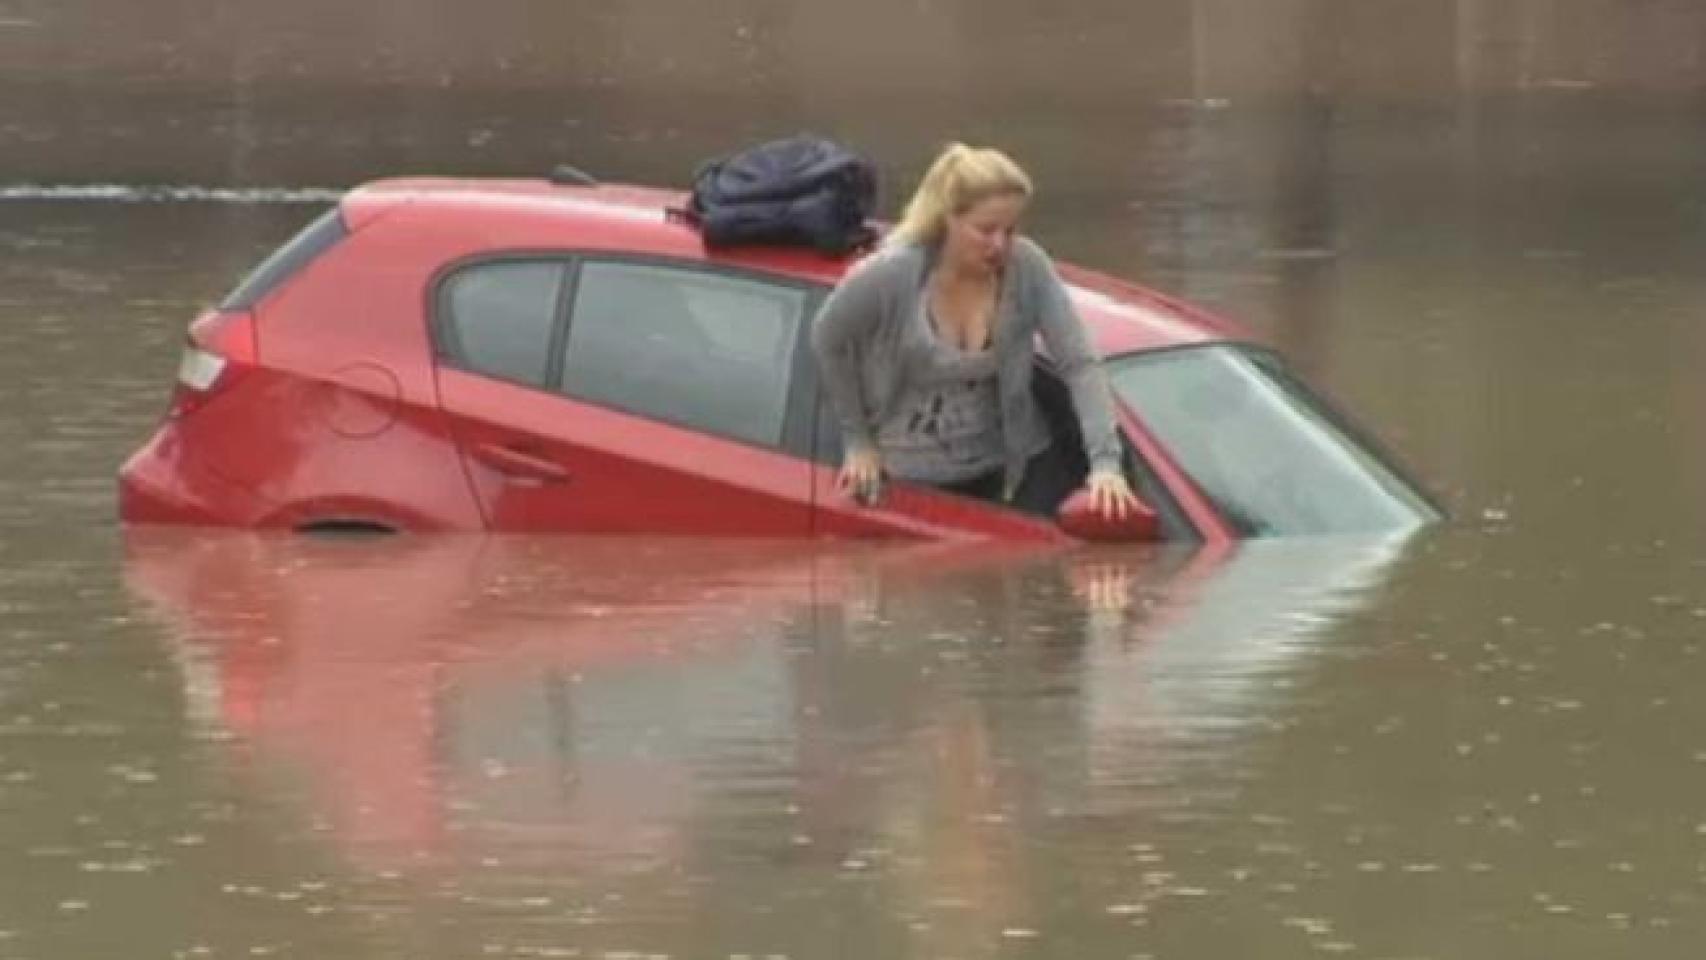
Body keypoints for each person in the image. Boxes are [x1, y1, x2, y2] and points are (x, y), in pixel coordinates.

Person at [810, 143, 1139, 518]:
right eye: (985, 230)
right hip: (910, 479)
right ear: (948, 217)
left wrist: (1106, 465)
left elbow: (1080, 363)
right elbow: (828, 340)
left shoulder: (1027, 266)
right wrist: (858, 441)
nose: (999, 244)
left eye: (1010, 230)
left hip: (1013, 469)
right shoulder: (891, 275)